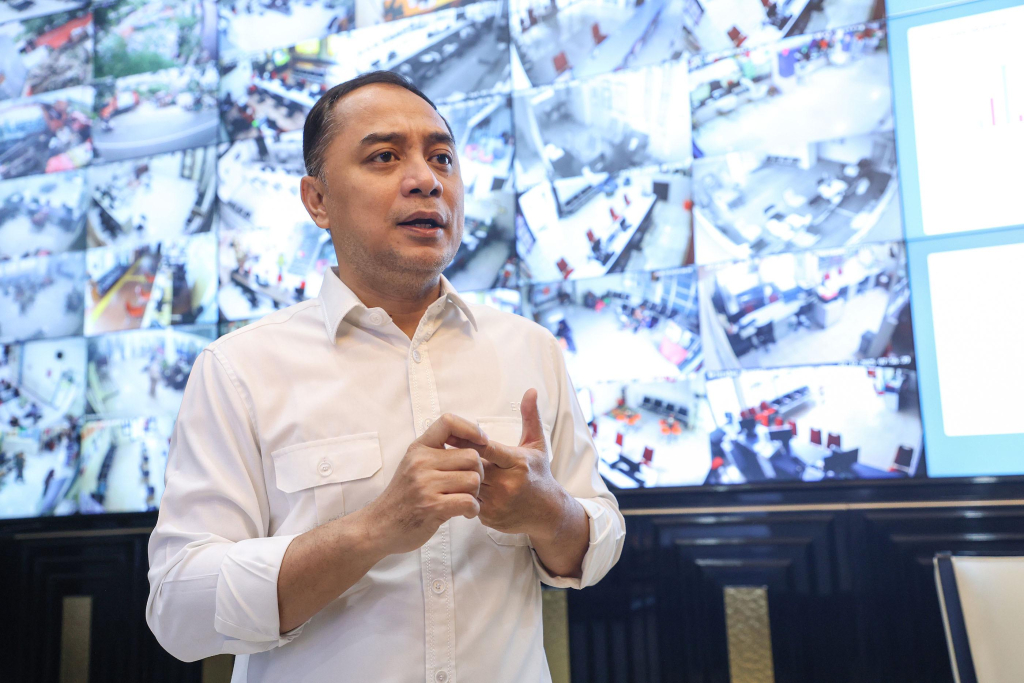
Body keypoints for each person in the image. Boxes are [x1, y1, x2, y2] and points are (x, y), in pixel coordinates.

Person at [146, 72, 625, 683]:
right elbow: (179, 610)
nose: (427, 179)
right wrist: (373, 530)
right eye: (384, 157)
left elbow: (599, 539)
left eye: (442, 157)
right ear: (317, 201)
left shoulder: (530, 349)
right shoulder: (240, 368)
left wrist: (550, 513)